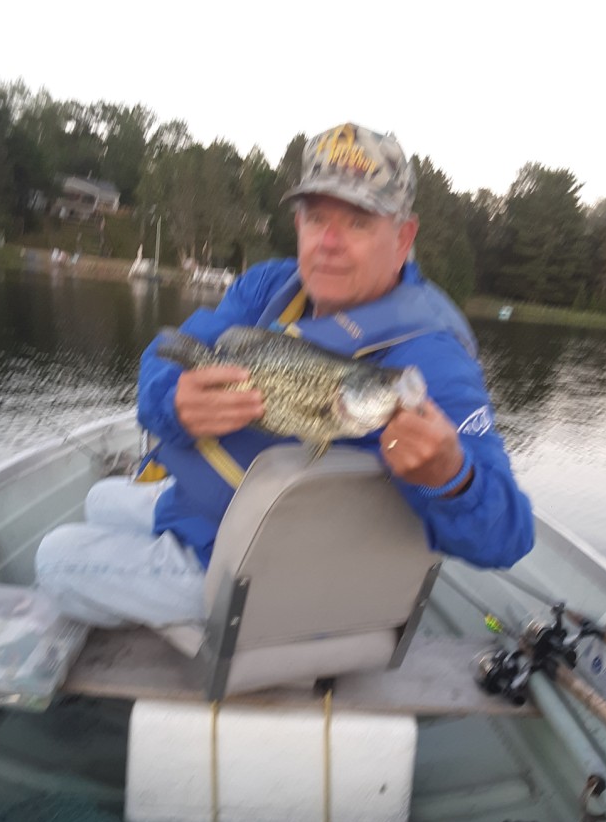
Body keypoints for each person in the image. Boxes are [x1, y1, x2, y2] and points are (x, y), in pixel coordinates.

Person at [36, 122, 534, 634]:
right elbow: (167, 351)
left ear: (403, 237)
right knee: (100, 499)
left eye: (358, 222)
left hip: (258, 572)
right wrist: (173, 401)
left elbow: (510, 536)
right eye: (317, 218)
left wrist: (453, 477)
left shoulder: (431, 363)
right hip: (208, 516)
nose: (329, 243)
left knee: (53, 558)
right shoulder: (269, 287)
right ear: (298, 223)